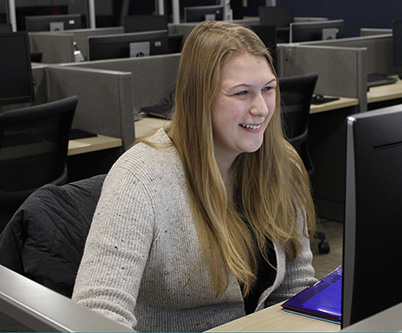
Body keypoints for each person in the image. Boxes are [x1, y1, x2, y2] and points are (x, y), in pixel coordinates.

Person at [72, 20, 317, 332]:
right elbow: (96, 315)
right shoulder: (140, 178)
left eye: (268, 89)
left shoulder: (281, 162)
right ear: (200, 98)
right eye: (241, 93)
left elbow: (295, 289)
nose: (261, 108)